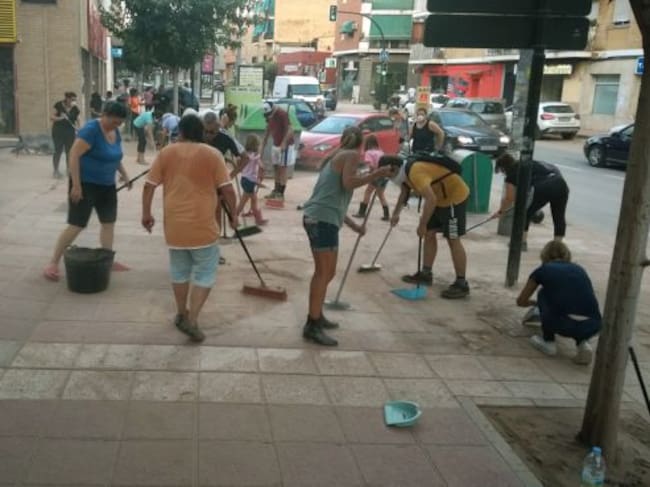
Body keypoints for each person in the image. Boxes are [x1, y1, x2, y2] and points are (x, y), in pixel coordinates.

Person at [142, 114, 237, 343]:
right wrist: (234, 216)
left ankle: (181, 313)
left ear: (180, 132)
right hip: (203, 225)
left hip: (175, 225)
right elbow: (228, 191)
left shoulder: (166, 153)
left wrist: (146, 214)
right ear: (202, 132)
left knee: (179, 271)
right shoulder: (212, 155)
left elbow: (149, 185)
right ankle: (192, 320)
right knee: (205, 272)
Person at [302, 126, 399, 346]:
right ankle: (312, 324)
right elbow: (348, 183)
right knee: (322, 273)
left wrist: (354, 225)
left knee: (329, 272)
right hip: (321, 220)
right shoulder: (351, 156)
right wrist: (375, 174)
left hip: (323, 218)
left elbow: (334, 198)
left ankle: (316, 315)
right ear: (360, 145)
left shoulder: (336, 155)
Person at [43, 101, 132, 281]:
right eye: (115, 122)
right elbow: (74, 155)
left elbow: (116, 156)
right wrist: (76, 185)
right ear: (104, 115)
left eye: (120, 123)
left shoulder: (114, 131)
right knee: (77, 224)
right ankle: (53, 262)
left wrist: (124, 174)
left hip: (107, 185)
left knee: (108, 223)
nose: (117, 126)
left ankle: (107, 259)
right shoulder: (91, 130)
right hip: (85, 184)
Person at [390, 154, 471, 299]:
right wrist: (396, 214)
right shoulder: (405, 173)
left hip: (453, 198)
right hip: (439, 198)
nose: (387, 179)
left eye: (386, 174)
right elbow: (404, 192)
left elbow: (430, 199)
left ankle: (461, 283)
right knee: (428, 233)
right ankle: (426, 274)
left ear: (394, 168)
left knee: (453, 238)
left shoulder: (415, 172)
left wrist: (422, 224)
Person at [516, 241, 601, 365]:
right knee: (577, 303)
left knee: (543, 294)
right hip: (593, 324)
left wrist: (536, 304)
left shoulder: (542, 270)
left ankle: (548, 341)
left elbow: (521, 301)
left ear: (544, 255)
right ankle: (583, 343)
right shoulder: (580, 269)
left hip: (562, 324)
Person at [493, 153, 570, 251]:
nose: (502, 173)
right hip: (560, 183)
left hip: (543, 187)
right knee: (559, 216)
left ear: (503, 167)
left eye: (501, 171)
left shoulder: (511, 175)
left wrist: (500, 212)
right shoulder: (528, 163)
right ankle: (558, 246)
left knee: (525, 213)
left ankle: (522, 243)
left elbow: (509, 198)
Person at [260, 101, 295, 202]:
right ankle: (276, 190)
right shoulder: (268, 115)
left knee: (282, 169)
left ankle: (281, 193)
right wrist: (260, 154)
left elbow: (290, 130)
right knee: (275, 167)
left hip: (286, 146)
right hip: (275, 144)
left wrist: (284, 143)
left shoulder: (282, 114)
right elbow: (267, 133)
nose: (268, 117)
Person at [353, 134, 390, 221]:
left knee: (368, 192)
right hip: (384, 175)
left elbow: (371, 166)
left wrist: (367, 173)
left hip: (376, 175)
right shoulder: (381, 151)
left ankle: (362, 212)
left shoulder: (369, 153)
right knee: (381, 194)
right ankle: (386, 214)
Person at [232, 134, 267, 226]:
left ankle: (255, 217)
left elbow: (238, 163)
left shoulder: (244, 155)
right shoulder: (256, 155)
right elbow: (262, 167)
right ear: (256, 145)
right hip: (250, 181)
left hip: (244, 179)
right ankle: (257, 219)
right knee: (248, 201)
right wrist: (261, 176)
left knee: (250, 200)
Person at [51, 91, 80, 178]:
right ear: (67, 99)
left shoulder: (75, 108)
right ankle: (56, 171)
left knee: (70, 152)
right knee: (58, 151)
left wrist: (80, 128)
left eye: (75, 100)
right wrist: (61, 118)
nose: (74, 101)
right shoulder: (58, 105)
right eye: (72, 99)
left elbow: (78, 119)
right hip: (58, 131)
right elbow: (52, 117)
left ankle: (69, 170)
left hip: (70, 132)